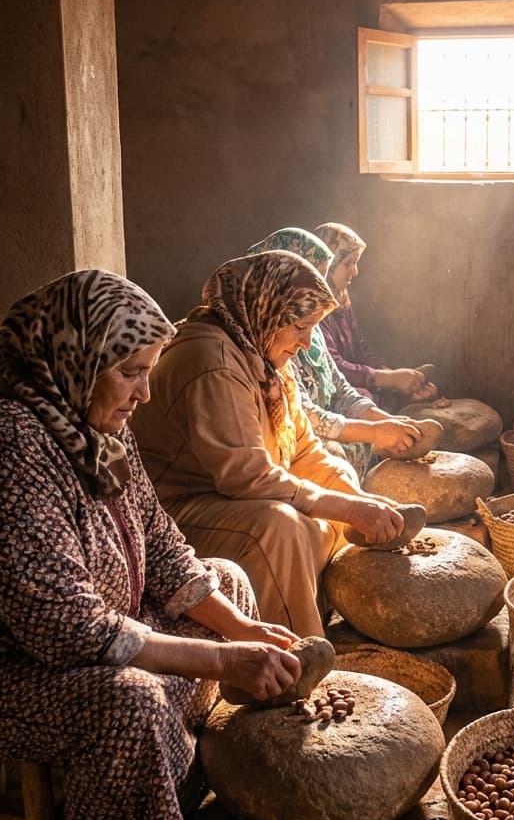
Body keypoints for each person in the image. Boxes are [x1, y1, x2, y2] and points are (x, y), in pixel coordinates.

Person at [0, 270, 302, 820]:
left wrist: (242, 632)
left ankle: (175, 777)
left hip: (86, 630)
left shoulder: (95, 426)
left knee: (230, 583)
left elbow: (164, 547)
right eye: (131, 372)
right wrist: (223, 658)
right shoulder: (0, 446)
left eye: (148, 371)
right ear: (76, 359)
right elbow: (65, 627)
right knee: (131, 703)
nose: (144, 393)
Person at [131, 251, 404, 638]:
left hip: (223, 499)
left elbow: (305, 452)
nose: (308, 343)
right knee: (279, 528)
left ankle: (342, 618)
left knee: (338, 478)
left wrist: (361, 503)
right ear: (265, 311)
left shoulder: (262, 354)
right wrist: (347, 507)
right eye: (299, 326)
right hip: (175, 511)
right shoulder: (213, 360)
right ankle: (294, 661)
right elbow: (247, 477)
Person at [242, 228, 422, 477]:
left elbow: (340, 388)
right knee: (333, 454)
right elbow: (302, 413)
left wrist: (384, 420)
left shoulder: (311, 328)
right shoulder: (265, 337)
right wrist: (375, 431)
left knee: (365, 431)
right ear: (281, 279)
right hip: (283, 439)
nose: (320, 285)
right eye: (315, 275)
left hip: (320, 423)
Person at [312, 222, 439, 410]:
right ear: (326, 265)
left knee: (387, 390)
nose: (354, 271)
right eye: (348, 264)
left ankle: (402, 399)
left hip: (354, 379)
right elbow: (332, 368)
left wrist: (392, 376)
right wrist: (388, 379)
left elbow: (360, 347)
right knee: (363, 397)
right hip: (329, 386)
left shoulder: (340, 298)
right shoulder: (311, 308)